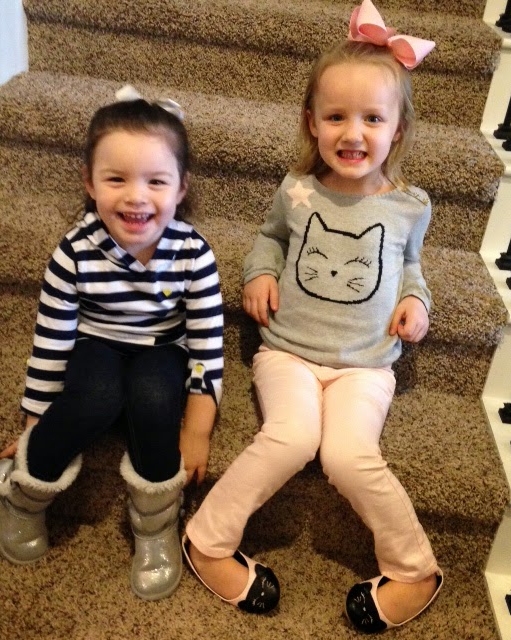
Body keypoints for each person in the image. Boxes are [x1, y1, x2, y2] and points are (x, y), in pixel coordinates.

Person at [182, 0, 443, 630]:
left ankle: (413, 568)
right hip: (288, 353)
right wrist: (259, 272)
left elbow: (409, 266)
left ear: (397, 129)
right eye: (336, 117)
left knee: (349, 455)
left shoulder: (410, 205)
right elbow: (269, 239)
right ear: (312, 123)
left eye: (372, 118)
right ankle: (207, 540)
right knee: (293, 437)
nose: (353, 133)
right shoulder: (297, 190)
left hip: (366, 365)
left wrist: (417, 301)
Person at [0, 86, 223, 602]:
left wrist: (198, 429)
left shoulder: (193, 253)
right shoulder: (73, 253)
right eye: (117, 179)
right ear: (89, 183)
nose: (136, 197)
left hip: (163, 346)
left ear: (181, 188)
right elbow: (51, 343)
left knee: (154, 399)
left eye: (156, 181)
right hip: (95, 342)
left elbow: (207, 343)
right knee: (95, 396)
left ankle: (156, 522)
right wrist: (37, 430)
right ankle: (19, 492)